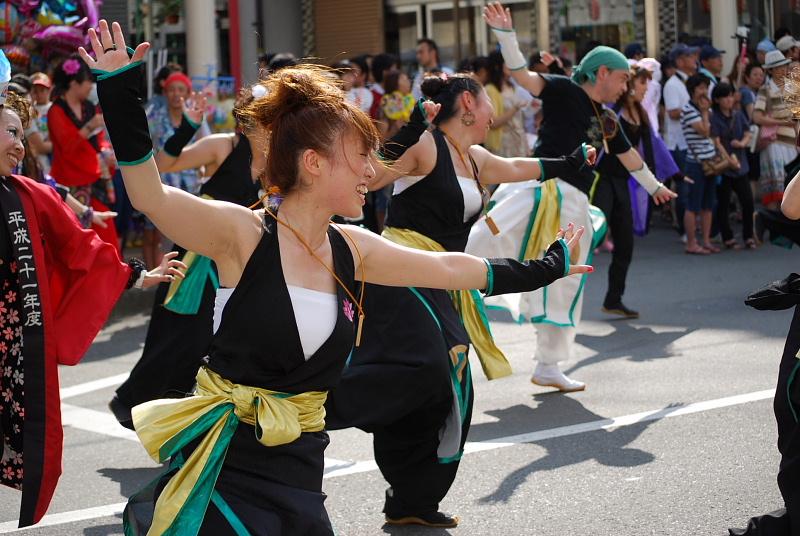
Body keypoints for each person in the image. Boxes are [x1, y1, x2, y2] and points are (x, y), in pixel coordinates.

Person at [80, 21, 592, 535]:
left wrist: (545, 268)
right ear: (313, 163)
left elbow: (449, 268)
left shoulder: (352, 247)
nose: (373, 172)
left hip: (300, 483)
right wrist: (119, 87)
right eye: (362, 157)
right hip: (224, 477)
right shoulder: (242, 234)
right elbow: (151, 195)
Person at [327, 72, 595, 528]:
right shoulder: (428, 145)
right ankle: (313, 406)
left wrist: (570, 162)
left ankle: (412, 498)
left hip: (443, 277)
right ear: (469, 102)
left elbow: (517, 169)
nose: (494, 112)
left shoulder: (472, 158)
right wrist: (412, 126)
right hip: (400, 271)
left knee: (449, 384)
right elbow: (371, 179)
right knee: (427, 369)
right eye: (488, 101)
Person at [0, 78, 185, 528]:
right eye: (9, 133)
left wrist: (136, 275)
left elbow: (81, 248)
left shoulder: (26, 195)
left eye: (21, 135)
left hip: (10, 351)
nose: (19, 145)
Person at [469, 2, 676, 392]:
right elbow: (523, 76)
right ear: (601, 73)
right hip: (538, 186)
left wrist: (656, 187)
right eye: (621, 79)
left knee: (564, 280)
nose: (624, 87)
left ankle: (548, 364)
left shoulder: (609, 119)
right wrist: (505, 35)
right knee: (484, 242)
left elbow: (630, 157)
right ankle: (435, 287)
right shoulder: (562, 89)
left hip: (574, 202)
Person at [108, 85, 265, 429]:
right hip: (197, 252)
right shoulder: (223, 145)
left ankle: (197, 419)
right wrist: (187, 128)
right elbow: (162, 165)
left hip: (239, 259)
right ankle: (142, 405)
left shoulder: (279, 160)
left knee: (223, 341)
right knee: (182, 338)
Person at [594, 64, 681, 318]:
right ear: (629, 85)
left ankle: (613, 299)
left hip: (623, 183)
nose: (648, 88)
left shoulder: (640, 113)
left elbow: (653, 147)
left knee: (625, 244)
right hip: (602, 181)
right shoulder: (612, 112)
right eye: (643, 83)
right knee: (589, 238)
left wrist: (673, 174)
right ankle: (561, 298)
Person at [47, 54, 118, 247]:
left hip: (94, 178)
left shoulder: (89, 107)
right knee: (77, 241)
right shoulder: (56, 111)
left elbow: (100, 139)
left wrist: (106, 151)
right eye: (88, 81)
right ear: (74, 83)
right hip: (69, 181)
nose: (90, 86)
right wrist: (88, 128)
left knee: (106, 235)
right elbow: (66, 146)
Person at [144, 71, 211, 269]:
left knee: (190, 233)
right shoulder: (154, 117)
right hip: (162, 181)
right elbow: (146, 147)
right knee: (162, 234)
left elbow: (206, 142)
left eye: (180, 90)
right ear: (165, 93)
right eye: (171, 90)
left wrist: (203, 169)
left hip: (190, 184)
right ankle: (160, 277)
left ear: (189, 93)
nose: (175, 94)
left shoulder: (195, 115)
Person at [710, 82, 756, 249]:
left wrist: (742, 143)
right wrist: (729, 160)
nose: (729, 100)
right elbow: (716, 142)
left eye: (730, 96)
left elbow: (747, 133)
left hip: (740, 165)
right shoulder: (713, 118)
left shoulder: (738, 115)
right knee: (723, 203)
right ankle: (727, 237)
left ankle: (749, 235)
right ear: (716, 100)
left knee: (748, 202)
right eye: (725, 97)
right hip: (724, 167)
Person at [754, 50, 798, 210]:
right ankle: (775, 230)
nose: (782, 70)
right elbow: (757, 117)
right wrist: (783, 122)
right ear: (770, 70)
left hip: (792, 144)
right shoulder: (765, 89)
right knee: (776, 190)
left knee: (791, 189)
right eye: (777, 67)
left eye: (784, 66)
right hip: (774, 144)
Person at [681, 74, 719, 254]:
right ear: (693, 89)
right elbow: (704, 131)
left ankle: (706, 240)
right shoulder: (688, 109)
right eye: (701, 87)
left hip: (709, 161)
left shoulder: (705, 109)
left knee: (707, 204)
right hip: (695, 163)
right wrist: (704, 113)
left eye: (706, 87)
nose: (705, 92)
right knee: (693, 205)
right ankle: (691, 243)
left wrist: (706, 112)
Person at [663, 43, 698, 236]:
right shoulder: (672, 84)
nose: (694, 59)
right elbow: (673, 112)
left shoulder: (691, 81)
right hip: (678, 143)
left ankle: (692, 228)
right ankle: (684, 230)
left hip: (692, 142)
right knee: (683, 187)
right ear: (679, 61)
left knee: (693, 186)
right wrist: (695, 111)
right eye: (689, 56)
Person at [485, 50, 529, 157]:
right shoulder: (491, 89)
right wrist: (515, 108)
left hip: (518, 139)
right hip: (502, 144)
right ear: (497, 66)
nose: (511, 66)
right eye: (507, 62)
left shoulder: (512, 86)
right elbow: (493, 123)